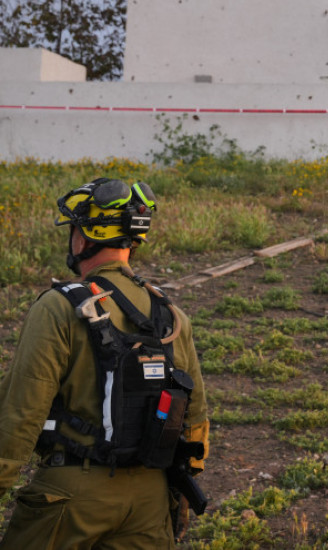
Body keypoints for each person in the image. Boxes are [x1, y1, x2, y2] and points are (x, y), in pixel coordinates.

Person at [0, 178, 209, 549]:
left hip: (70, 498)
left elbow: (20, 415)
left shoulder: (58, 307)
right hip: (149, 502)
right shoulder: (170, 313)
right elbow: (194, 418)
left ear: (84, 239)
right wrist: (179, 490)